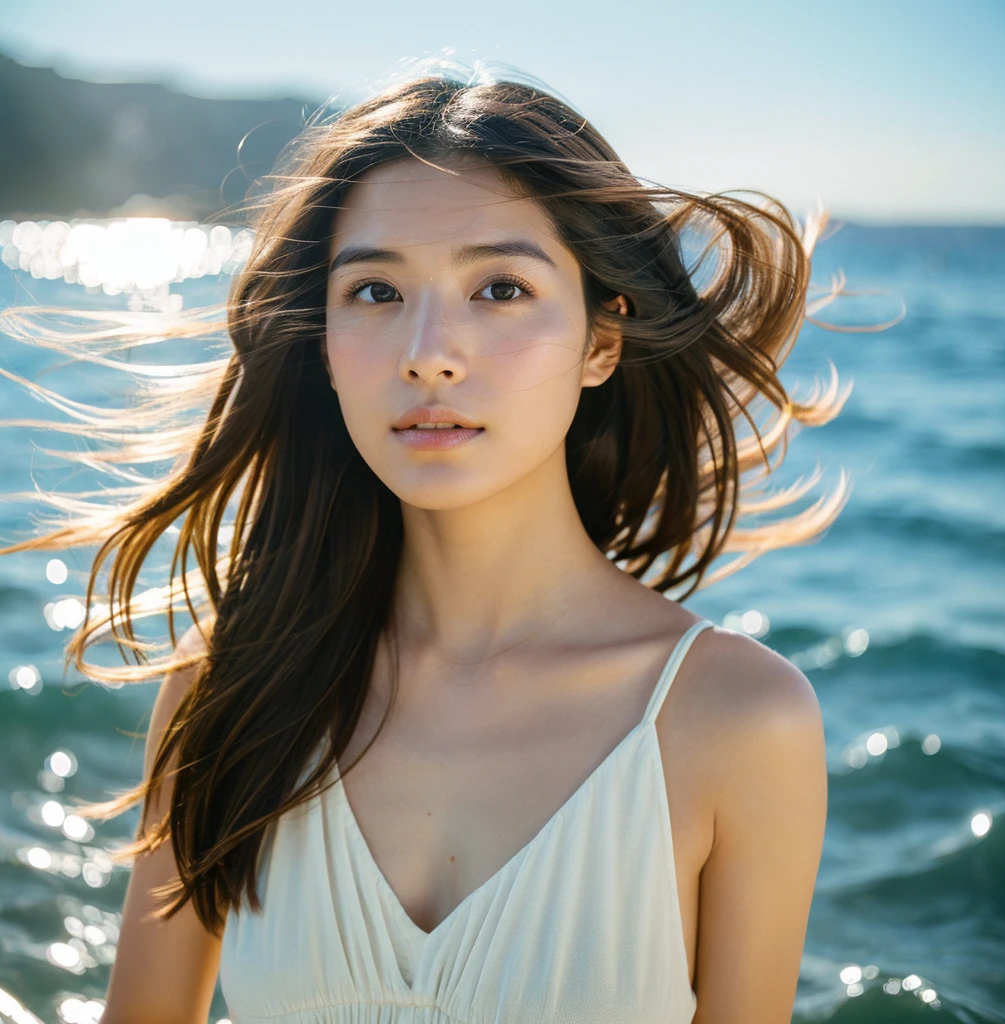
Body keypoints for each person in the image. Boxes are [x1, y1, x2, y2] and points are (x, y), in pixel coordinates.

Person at [2, 70, 846, 1023]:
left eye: (501, 287)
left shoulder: (736, 722)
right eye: (375, 289)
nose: (429, 350)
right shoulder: (226, 696)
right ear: (323, 340)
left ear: (602, 341)